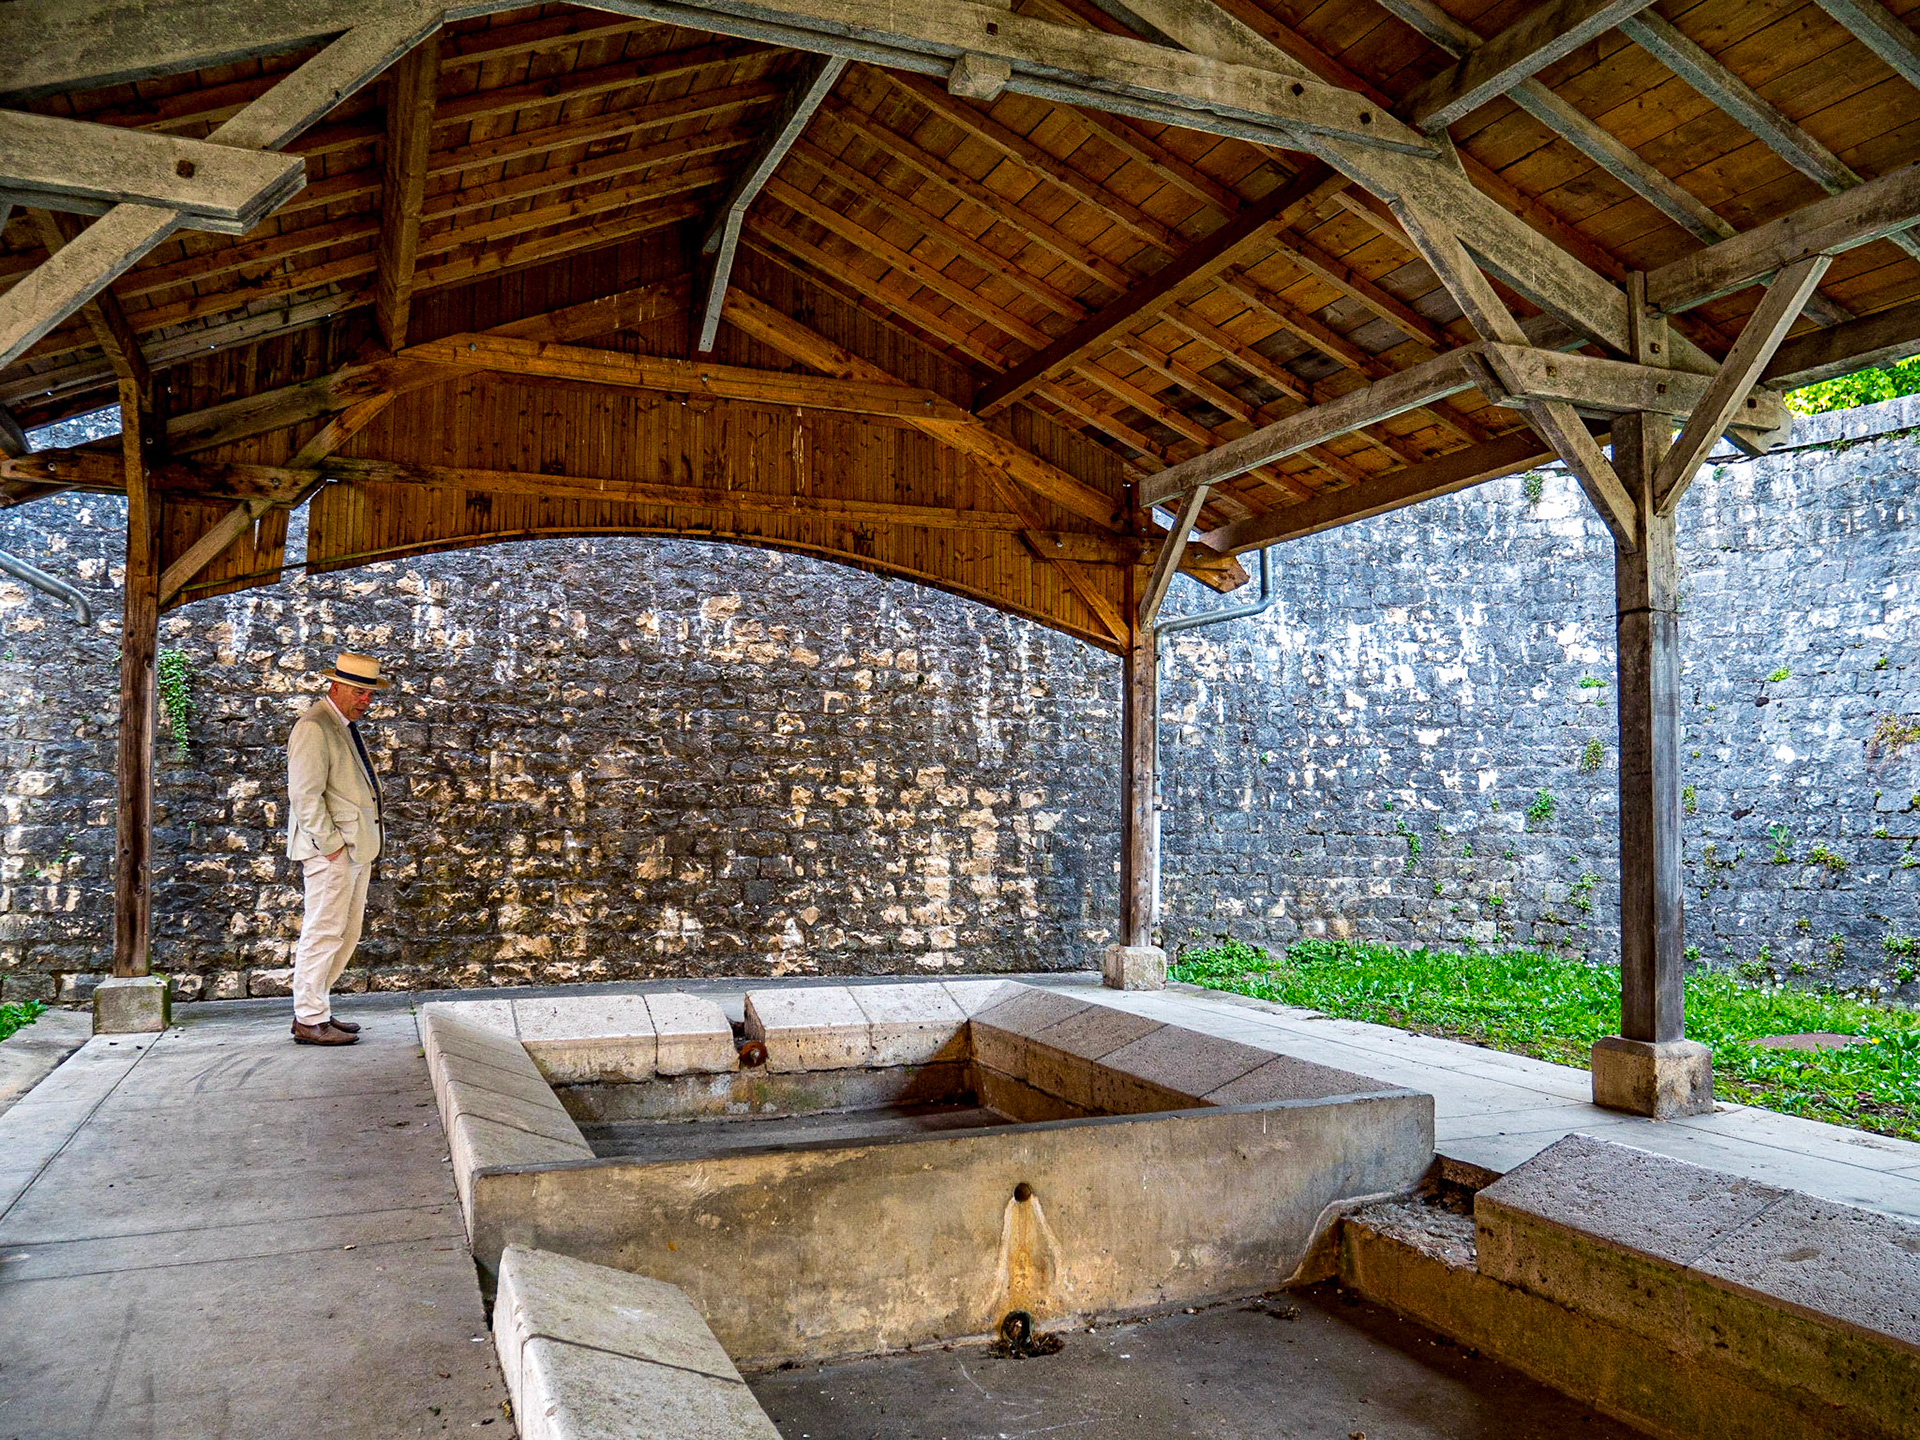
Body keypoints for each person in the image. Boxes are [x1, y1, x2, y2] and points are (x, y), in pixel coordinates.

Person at [284, 652, 391, 1045]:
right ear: (336, 685)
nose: (366, 700)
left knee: (345, 933)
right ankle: (309, 1017)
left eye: (370, 694)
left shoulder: (339, 724)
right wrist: (330, 846)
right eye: (360, 692)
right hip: (333, 850)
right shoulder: (314, 726)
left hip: (354, 847)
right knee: (324, 931)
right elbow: (304, 795)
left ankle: (317, 1009)